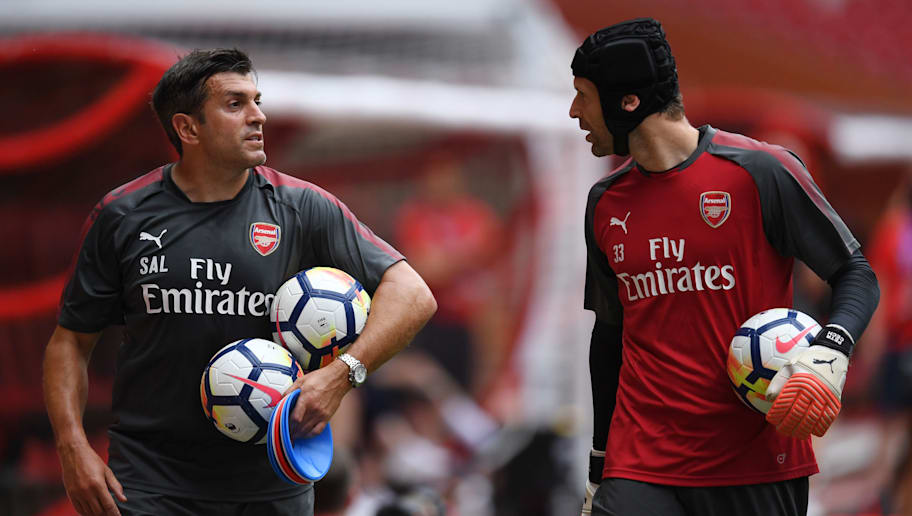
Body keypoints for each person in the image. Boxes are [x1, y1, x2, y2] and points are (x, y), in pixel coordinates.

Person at [43, 48, 436, 516]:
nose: (259, 116)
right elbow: (69, 344)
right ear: (188, 128)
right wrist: (71, 447)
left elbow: (413, 295)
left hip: (273, 482)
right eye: (235, 104)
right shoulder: (123, 215)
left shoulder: (303, 208)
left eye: (257, 100)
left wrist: (341, 374)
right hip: (149, 483)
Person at [569, 18, 880, 516]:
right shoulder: (604, 202)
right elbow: (609, 338)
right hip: (641, 465)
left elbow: (855, 273)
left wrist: (831, 350)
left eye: (583, 96)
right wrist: (598, 464)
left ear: (628, 103)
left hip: (754, 463)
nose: (574, 112)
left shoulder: (761, 172)